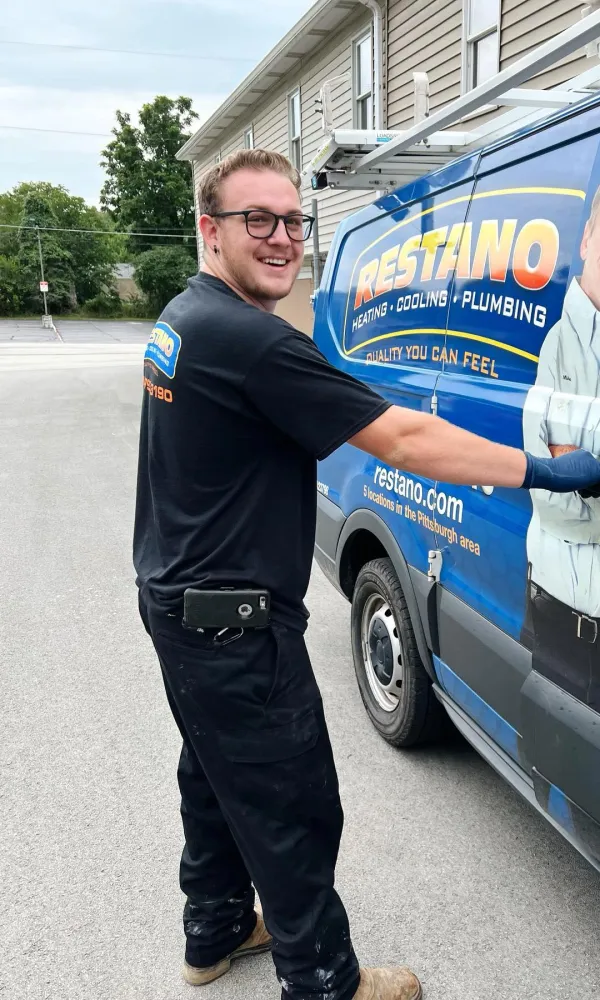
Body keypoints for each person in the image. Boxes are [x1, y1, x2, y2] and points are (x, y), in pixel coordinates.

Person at [133, 149, 600, 1000]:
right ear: (210, 229)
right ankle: (323, 980)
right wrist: (552, 470)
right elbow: (406, 440)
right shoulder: (247, 339)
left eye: (292, 221)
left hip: (180, 604)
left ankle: (216, 928)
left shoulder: (184, 317)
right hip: (231, 621)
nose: (282, 239)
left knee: (214, 772)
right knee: (292, 799)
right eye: (257, 221)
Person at [523, 184, 600, 711]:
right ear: (588, 239)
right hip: (570, 613)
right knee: (564, 773)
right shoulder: (559, 345)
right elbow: (559, 499)